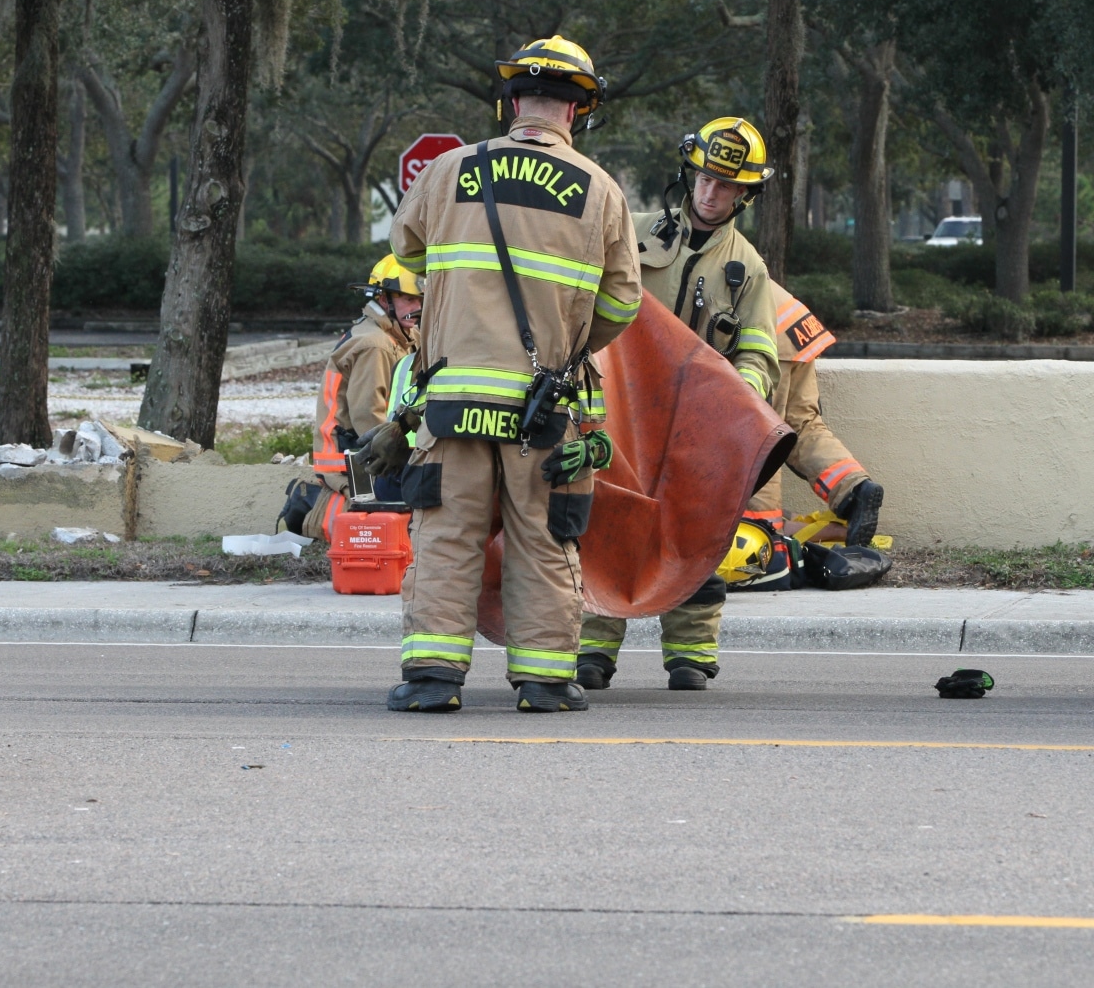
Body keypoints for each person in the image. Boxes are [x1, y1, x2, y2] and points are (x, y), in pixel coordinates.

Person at [362, 35, 642, 714]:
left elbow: (407, 252)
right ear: (578, 111)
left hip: (452, 399)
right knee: (543, 537)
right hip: (539, 408)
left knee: (446, 534)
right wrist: (567, 345)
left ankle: (432, 680)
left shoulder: (449, 170)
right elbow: (623, 303)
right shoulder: (601, 191)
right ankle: (544, 683)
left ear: (512, 102)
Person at [576, 117, 781, 693]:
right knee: (605, 524)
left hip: (694, 426)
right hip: (619, 412)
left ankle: (690, 655)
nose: (711, 193)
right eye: (705, 179)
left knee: (695, 533)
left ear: (744, 194)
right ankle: (592, 649)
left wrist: (735, 399)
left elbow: (759, 353)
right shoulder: (634, 233)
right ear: (690, 174)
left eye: (726, 185)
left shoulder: (748, 269)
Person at [278, 254, 422, 543]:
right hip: (354, 459)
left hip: (369, 452)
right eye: (408, 299)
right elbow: (368, 418)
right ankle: (312, 507)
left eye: (420, 299)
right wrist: (409, 456)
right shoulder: (375, 345)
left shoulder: (402, 336)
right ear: (383, 299)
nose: (416, 307)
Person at [745, 282, 884, 547]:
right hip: (794, 326)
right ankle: (854, 489)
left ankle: (760, 533)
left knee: (757, 437)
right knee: (802, 424)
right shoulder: (729, 254)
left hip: (759, 338)